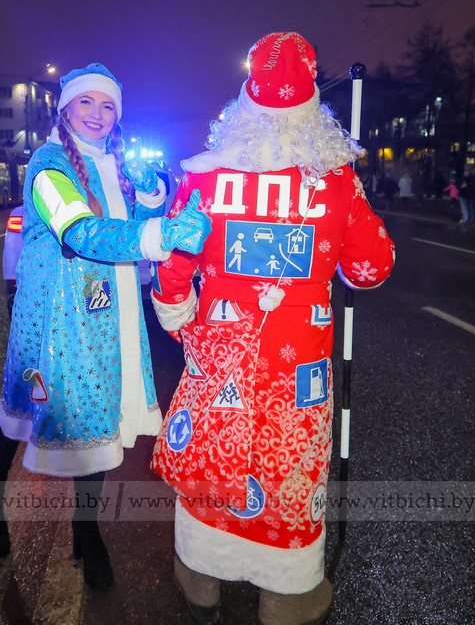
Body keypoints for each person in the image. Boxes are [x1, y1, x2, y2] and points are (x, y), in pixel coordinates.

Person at [150, 33, 395, 625]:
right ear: (313, 108)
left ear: (245, 104)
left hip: (221, 354)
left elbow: (173, 266)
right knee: (289, 467)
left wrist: (179, 316)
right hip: (298, 364)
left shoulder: (208, 177)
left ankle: (200, 579)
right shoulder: (334, 179)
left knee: (214, 458)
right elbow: (371, 268)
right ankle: (286, 596)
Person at [0, 63, 211, 591]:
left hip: (107, 311)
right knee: (17, 412)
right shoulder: (48, 164)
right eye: (86, 102)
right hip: (52, 316)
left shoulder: (114, 161)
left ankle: (86, 533)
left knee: (100, 414)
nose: (97, 114)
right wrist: (160, 234)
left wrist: (156, 189)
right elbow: (79, 230)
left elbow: (147, 207)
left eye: (108, 106)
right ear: (65, 108)